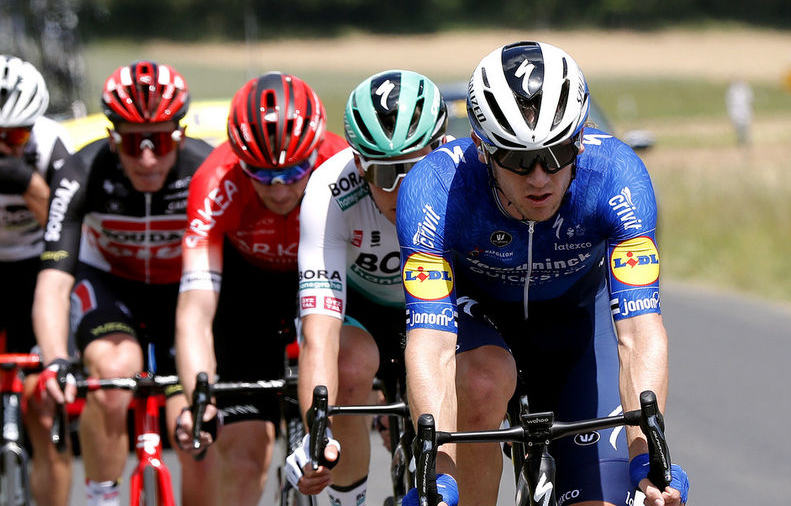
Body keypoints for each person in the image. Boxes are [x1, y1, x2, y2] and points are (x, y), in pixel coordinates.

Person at [395, 41, 689, 506]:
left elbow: (638, 329)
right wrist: (440, 472)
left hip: (574, 323)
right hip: (479, 321)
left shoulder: (617, 175)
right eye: (516, 158)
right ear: (481, 148)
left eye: (555, 154)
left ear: (580, 138)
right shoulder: (435, 188)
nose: (538, 177)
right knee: (482, 383)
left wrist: (648, 456)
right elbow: (431, 342)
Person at [32, 60, 213, 506]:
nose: (148, 156)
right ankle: (101, 496)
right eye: (133, 142)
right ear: (113, 136)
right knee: (113, 379)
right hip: (110, 286)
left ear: (182, 135)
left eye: (162, 139)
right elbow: (54, 280)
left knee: (193, 427)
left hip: (182, 295)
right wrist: (55, 359)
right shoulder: (82, 170)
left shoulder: (207, 170)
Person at [175, 71, 348, 506]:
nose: (280, 187)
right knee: (246, 455)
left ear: (315, 153)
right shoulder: (215, 182)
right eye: (262, 173)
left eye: (293, 171)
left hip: (332, 283)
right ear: (239, 161)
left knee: (353, 427)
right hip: (246, 298)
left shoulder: (342, 162)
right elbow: (195, 311)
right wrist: (200, 396)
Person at [284, 70, 450, 502]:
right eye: (383, 172)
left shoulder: (466, 180)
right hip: (363, 310)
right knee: (349, 363)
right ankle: (346, 497)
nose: (401, 189)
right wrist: (315, 432)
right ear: (358, 163)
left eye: (413, 168)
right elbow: (319, 335)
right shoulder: (328, 190)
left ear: (441, 149)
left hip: (439, 306)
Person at [0, 55, 74, 506]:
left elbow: (64, 231)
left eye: (16, 135)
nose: (6, 148)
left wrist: (29, 184)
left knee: (44, 411)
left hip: (37, 267)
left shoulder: (51, 145)